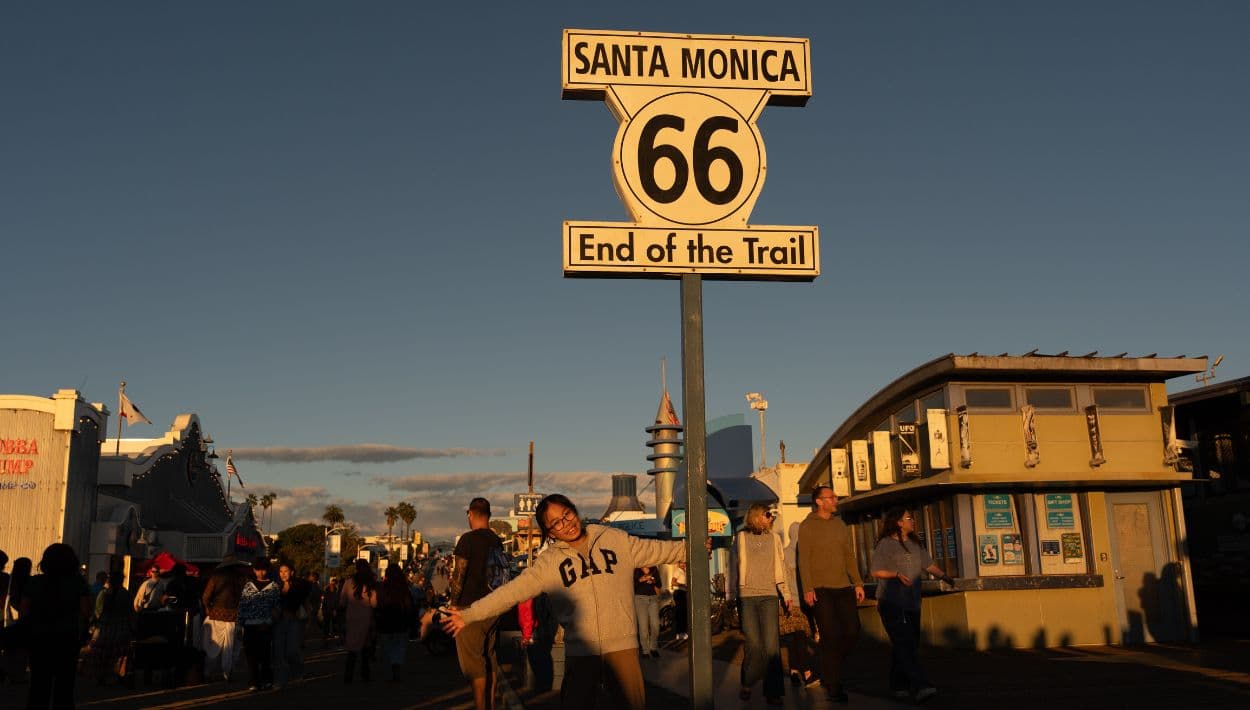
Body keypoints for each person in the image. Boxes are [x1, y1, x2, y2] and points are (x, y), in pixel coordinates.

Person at [443, 493, 702, 710]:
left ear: (574, 510)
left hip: (623, 648)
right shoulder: (549, 563)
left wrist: (693, 547)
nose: (565, 523)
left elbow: (659, 550)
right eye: (555, 523)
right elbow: (510, 593)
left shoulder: (614, 539)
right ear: (549, 533)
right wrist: (468, 614)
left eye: (566, 514)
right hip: (581, 653)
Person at [869, 508, 952, 703]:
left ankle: (898, 685)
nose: (912, 520)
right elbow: (876, 571)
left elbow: (928, 564)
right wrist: (895, 575)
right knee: (905, 643)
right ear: (898, 522)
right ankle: (922, 685)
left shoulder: (914, 543)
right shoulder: (886, 544)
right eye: (908, 518)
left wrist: (945, 576)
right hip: (891, 602)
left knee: (907, 645)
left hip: (912, 602)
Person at [797, 485, 864, 704]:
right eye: (831, 497)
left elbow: (849, 555)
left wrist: (858, 583)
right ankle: (834, 687)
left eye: (835, 497)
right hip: (820, 590)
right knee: (830, 636)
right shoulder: (807, 527)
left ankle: (829, 666)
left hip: (843, 587)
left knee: (853, 631)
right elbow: (803, 560)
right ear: (819, 502)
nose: (835, 499)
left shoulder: (839, 524)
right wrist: (807, 588)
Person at [447, 497, 506, 710]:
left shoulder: (467, 540)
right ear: (489, 515)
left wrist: (453, 604)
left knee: (474, 666)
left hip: (469, 609)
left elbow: (459, 574)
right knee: (489, 658)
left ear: (470, 514)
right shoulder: (496, 541)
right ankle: (490, 705)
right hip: (493, 607)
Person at [731, 503, 790, 706]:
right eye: (767, 515)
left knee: (772, 646)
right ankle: (747, 681)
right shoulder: (740, 537)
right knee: (754, 644)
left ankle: (773, 692)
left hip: (769, 595)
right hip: (747, 597)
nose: (771, 518)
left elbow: (781, 566)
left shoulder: (774, 538)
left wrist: (786, 593)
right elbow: (733, 567)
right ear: (756, 516)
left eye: (772, 516)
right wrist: (731, 594)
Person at [21, 543, 92, 710]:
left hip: (39, 637)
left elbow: (24, 611)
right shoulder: (78, 583)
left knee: (39, 684)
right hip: (67, 638)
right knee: (64, 686)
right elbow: (86, 611)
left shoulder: (34, 582)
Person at [780, 522, 818, 688]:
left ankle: (794, 671)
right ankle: (807, 673)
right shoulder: (785, 554)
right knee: (800, 636)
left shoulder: (806, 554)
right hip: (792, 602)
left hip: (805, 601)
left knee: (796, 638)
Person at [201, 555, 248, 681]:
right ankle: (228, 671)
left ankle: (207, 672)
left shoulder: (216, 576)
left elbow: (206, 597)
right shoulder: (242, 578)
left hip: (216, 616)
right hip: (235, 616)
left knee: (212, 647)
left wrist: (207, 607)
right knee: (232, 647)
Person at [238, 558, 280, 692]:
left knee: (265, 655)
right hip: (249, 625)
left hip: (266, 625)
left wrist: (272, 618)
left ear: (267, 570)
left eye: (263, 569)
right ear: (254, 570)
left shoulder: (274, 586)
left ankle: (267, 680)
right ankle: (254, 682)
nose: (260, 573)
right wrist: (239, 625)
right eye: (258, 570)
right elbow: (242, 606)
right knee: (251, 656)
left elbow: (277, 606)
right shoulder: (248, 586)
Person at [87, 571, 134, 686]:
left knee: (103, 654)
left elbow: (98, 610)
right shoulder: (125, 594)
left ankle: (101, 677)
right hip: (121, 627)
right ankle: (119, 676)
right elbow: (130, 612)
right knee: (120, 654)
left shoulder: (104, 593)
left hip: (105, 627)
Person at [339, 560, 377, 683]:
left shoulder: (348, 583)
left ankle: (348, 677)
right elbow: (374, 604)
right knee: (365, 651)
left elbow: (342, 603)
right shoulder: (370, 585)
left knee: (352, 651)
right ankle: (365, 676)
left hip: (351, 620)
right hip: (366, 621)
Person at [375, 565, 413, 682]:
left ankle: (389, 669)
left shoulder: (383, 588)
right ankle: (396, 668)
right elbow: (408, 605)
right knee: (399, 647)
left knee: (387, 647)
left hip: (385, 621)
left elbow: (378, 603)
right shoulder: (403, 588)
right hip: (400, 621)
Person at [273, 564, 308, 688]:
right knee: (279, 652)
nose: (283, 574)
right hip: (279, 622)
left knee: (292, 651)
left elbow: (301, 601)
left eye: (286, 571)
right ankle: (281, 680)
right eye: (281, 571)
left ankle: (298, 672)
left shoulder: (299, 585)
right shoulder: (275, 586)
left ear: (292, 572)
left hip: (294, 621)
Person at [4, 557, 34, 685]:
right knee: (22, 649)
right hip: (25, 619)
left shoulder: (9, 580)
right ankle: (18, 675)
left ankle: (8, 674)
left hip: (10, 618)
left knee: (10, 648)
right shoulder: (30, 581)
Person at [632, 566, 661, 659]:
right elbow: (632, 585)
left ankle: (653, 648)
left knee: (656, 624)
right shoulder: (636, 570)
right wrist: (641, 579)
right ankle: (645, 650)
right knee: (643, 626)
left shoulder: (654, 569)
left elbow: (659, 584)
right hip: (640, 599)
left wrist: (653, 581)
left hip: (653, 598)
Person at [669, 562, 688, 642]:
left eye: (684, 563)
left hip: (683, 592)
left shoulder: (684, 571)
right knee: (680, 612)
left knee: (683, 612)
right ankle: (679, 633)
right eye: (681, 563)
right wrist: (683, 585)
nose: (683, 565)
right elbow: (673, 582)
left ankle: (681, 632)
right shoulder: (678, 571)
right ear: (679, 564)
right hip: (679, 592)